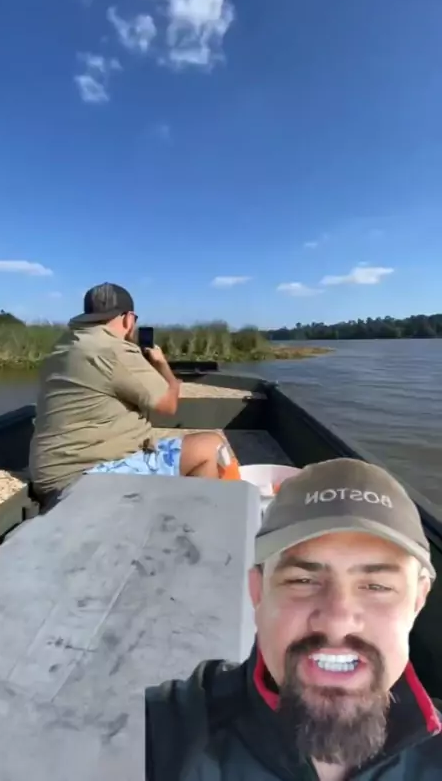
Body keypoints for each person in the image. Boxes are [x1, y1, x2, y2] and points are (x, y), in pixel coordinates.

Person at [146, 458, 442, 781]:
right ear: (258, 592)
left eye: (377, 586)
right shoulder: (162, 735)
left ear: (417, 601)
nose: (337, 621)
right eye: (302, 581)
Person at [29, 282, 230, 504]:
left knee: (170, 444)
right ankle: (204, 518)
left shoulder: (64, 345)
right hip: (85, 477)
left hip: (50, 474)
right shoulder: (114, 349)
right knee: (211, 446)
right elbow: (168, 405)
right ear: (129, 319)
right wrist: (164, 368)